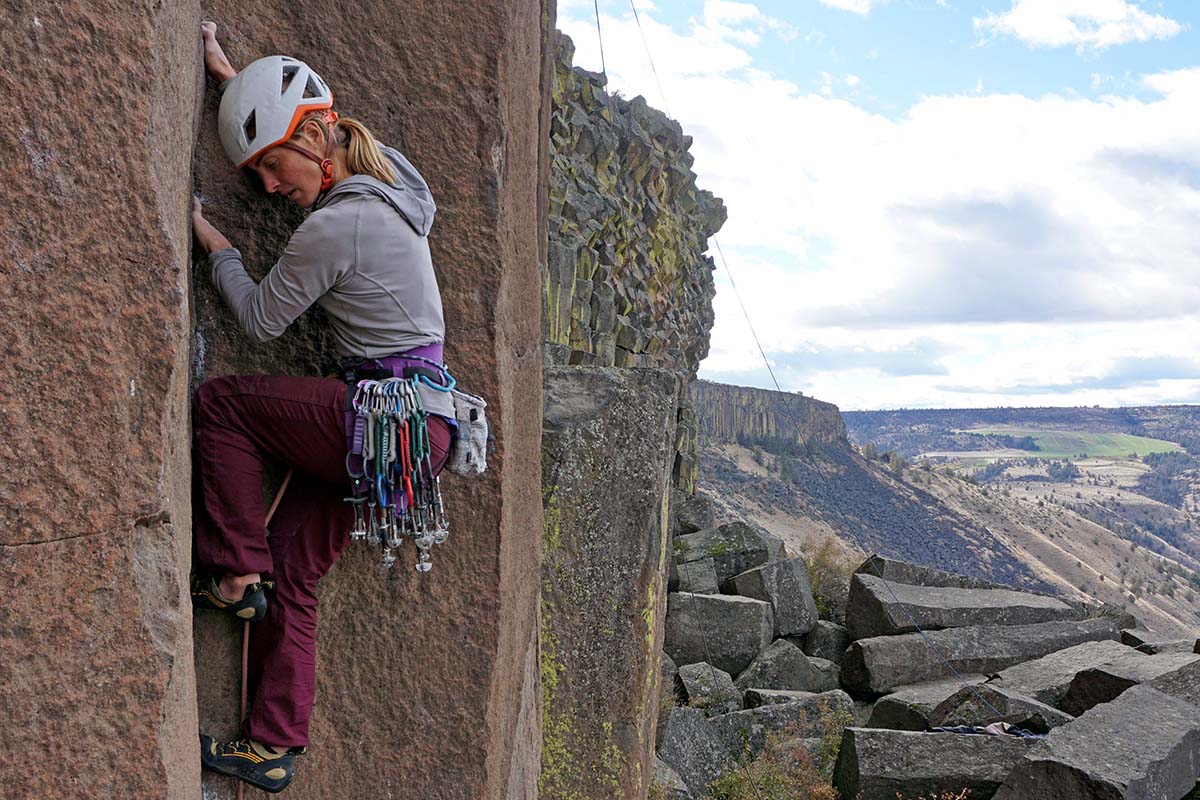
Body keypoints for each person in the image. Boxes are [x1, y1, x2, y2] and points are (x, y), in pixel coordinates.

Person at [191, 22, 454, 793]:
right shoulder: (398, 184)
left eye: (271, 167)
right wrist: (233, 79)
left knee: (225, 406)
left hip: (380, 419)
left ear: (310, 140)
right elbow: (303, 117)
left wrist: (216, 247)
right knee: (294, 570)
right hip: (413, 429)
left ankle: (234, 574)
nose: (269, 187)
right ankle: (272, 747)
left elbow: (264, 318)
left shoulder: (338, 223)